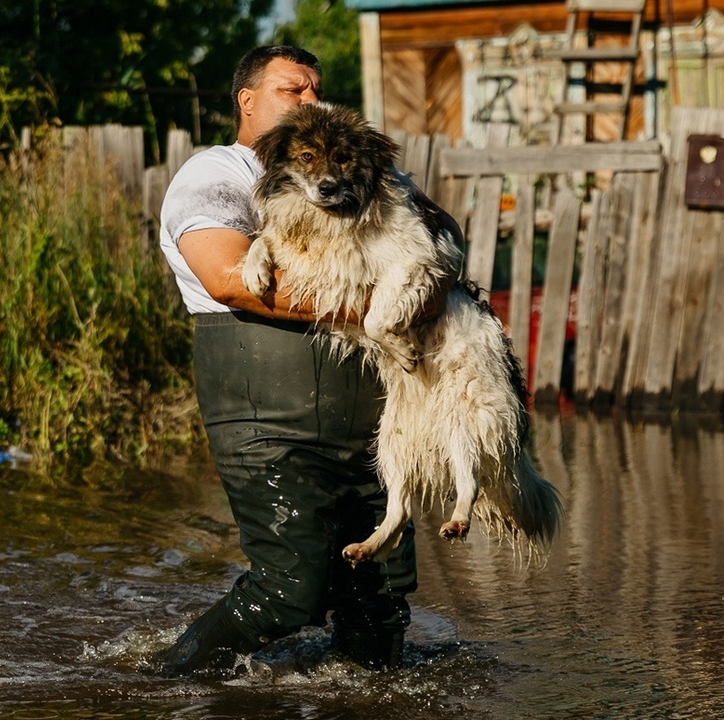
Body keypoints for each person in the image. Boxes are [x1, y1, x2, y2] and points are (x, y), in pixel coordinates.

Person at [157, 45, 458, 675]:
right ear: (247, 101)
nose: (311, 102)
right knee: (289, 590)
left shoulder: (352, 175)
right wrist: (374, 307)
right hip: (269, 425)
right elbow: (230, 280)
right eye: (293, 90)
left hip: (373, 430)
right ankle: (166, 678)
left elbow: (437, 239)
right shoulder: (219, 173)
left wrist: (428, 288)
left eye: (316, 90)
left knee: (379, 605)